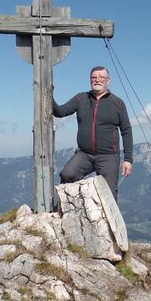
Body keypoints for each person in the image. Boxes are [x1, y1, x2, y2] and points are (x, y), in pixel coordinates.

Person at [53, 66, 133, 201]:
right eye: (94, 78)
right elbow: (60, 112)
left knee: (109, 195)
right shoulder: (81, 98)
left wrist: (128, 159)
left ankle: (108, 222)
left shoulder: (117, 103)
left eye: (101, 77)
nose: (97, 80)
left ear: (108, 81)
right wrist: (49, 95)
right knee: (67, 175)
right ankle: (69, 210)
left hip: (108, 156)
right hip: (85, 154)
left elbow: (126, 130)